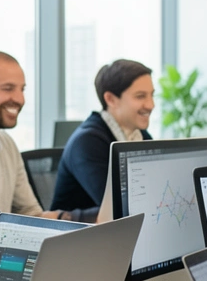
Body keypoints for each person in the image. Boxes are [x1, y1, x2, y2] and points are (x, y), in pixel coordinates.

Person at [49, 59, 153, 218]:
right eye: (140, 96)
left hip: (118, 234)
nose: (150, 105)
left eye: (152, 95)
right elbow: (119, 207)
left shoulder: (141, 136)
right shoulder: (87, 142)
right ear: (111, 99)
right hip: (78, 237)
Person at [0, 50, 64, 219]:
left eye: (22, 89)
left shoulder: (8, 144)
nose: (20, 99)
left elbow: (30, 213)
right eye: (8, 88)